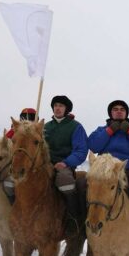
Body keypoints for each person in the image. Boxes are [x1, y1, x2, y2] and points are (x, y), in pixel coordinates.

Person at [84, 100, 129, 239]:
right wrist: (109, 131)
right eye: (115, 109)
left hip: (128, 169)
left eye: (122, 109)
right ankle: (83, 226)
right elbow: (93, 145)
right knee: (84, 188)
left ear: (126, 113)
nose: (119, 111)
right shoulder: (101, 130)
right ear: (111, 113)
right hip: (105, 172)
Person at [43, 96, 88, 237]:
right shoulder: (45, 127)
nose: (57, 108)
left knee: (65, 182)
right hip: (45, 164)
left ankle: (73, 218)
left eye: (61, 106)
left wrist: (66, 163)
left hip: (65, 165)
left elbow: (81, 150)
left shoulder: (75, 126)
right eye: (55, 105)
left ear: (66, 109)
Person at [0, 108, 37, 203]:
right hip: (13, 164)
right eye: (24, 118)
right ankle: (11, 204)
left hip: (32, 165)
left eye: (30, 118)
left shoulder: (37, 131)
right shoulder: (14, 131)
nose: (26, 121)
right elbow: (3, 146)